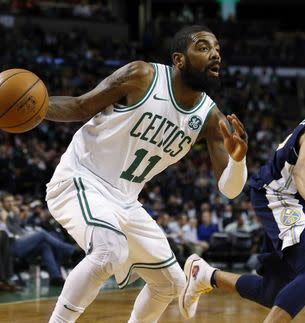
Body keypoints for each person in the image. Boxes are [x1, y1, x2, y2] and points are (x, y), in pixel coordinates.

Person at [44, 25, 248, 322]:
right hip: (81, 179)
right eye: (203, 47)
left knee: (172, 283)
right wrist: (38, 109)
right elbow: (80, 106)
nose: (215, 53)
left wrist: (238, 160)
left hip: (126, 201)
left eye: (217, 48)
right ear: (179, 59)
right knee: (109, 250)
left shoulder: (209, 118)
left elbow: (229, 190)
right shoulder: (143, 76)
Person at [180, 68, 305, 323]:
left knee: (274, 292)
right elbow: (304, 170)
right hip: (279, 194)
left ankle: (204, 275)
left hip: (301, 201)